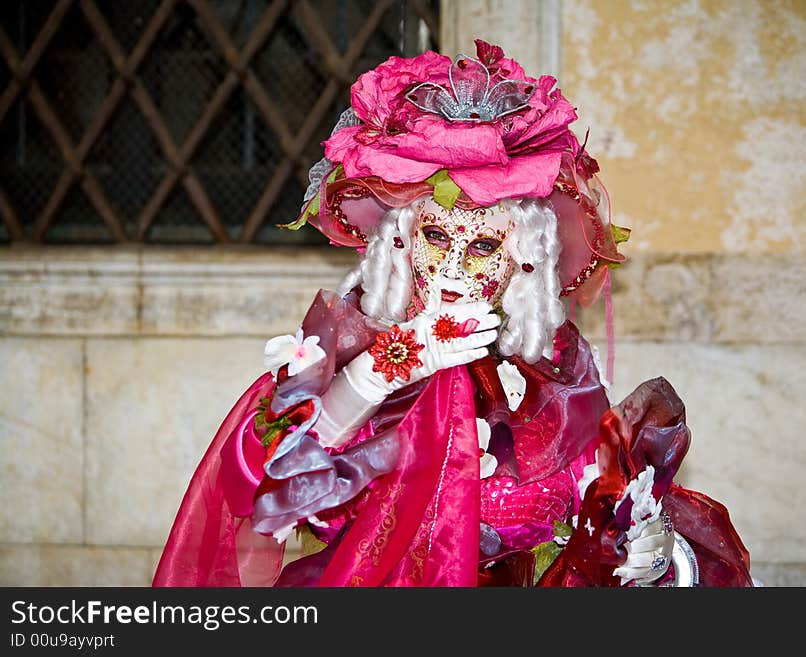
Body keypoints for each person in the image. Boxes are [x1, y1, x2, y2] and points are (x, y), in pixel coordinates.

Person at [153, 40, 753, 587]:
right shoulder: (352, 347)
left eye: (486, 246)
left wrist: (637, 539)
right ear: (403, 243)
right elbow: (275, 489)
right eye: (438, 238)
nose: (457, 266)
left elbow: (589, 492)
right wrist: (383, 371)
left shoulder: (552, 364)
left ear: (522, 260)